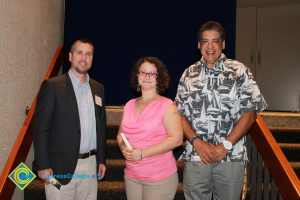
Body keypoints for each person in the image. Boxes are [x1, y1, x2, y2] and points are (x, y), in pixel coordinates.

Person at [175, 21, 267, 200]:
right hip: (196, 156)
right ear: (198, 45)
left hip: (231, 158)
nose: (210, 47)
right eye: (205, 41)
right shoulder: (188, 74)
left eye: (215, 41)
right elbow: (179, 114)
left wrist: (226, 145)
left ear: (223, 44)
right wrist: (197, 142)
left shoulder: (239, 71)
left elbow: (250, 113)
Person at [33, 39, 106, 200]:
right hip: (59, 167)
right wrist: (43, 165)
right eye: (79, 53)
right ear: (70, 56)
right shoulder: (52, 86)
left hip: (90, 166)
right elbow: (41, 129)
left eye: (89, 54)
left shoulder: (98, 88)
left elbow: (100, 127)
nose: (84, 58)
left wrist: (101, 159)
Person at [117, 56, 183, 200]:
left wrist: (142, 154)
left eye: (152, 73)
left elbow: (177, 139)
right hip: (131, 176)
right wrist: (123, 148)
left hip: (159, 178)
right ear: (137, 76)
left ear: (159, 78)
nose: (147, 77)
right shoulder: (129, 105)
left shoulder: (167, 106)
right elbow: (121, 134)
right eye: (143, 72)